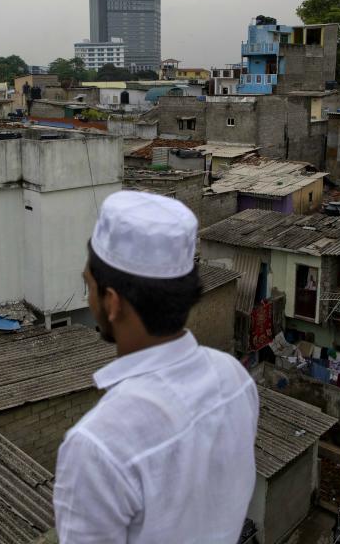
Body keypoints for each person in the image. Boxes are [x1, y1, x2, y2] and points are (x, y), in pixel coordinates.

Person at [54, 191, 259, 543]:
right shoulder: (235, 378)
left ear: (112, 301)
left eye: (89, 285)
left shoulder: (98, 446)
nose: (88, 297)